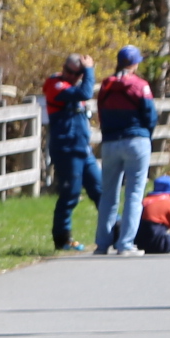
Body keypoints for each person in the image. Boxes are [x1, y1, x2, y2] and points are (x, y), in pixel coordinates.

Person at [93, 45, 158, 255]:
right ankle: (125, 243)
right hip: (136, 139)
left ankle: (102, 243)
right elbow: (150, 115)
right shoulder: (140, 85)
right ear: (135, 63)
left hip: (111, 141)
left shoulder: (107, 85)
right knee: (134, 193)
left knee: (108, 194)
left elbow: (101, 111)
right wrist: (146, 133)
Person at [40, 52, 101, 252]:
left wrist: (86, 74)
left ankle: (115, 230)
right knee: (71, 193)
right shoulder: (56, 85)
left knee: (100, 191)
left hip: (83, 149)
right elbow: (85, 93)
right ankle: (62, 238)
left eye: (76, 74)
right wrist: (89, 70)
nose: (71, 75)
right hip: (66, 149)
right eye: (68, 71)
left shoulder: (75, 86)